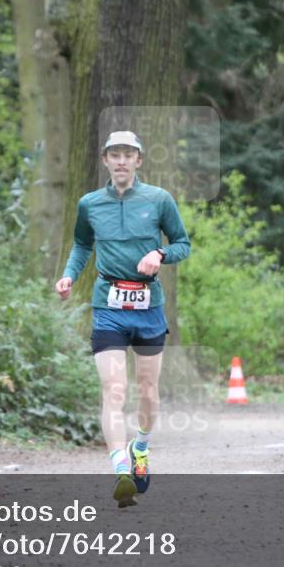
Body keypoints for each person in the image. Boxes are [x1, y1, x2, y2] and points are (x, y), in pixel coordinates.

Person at [55, 131, 190, 508]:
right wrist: (69, 274)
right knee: (114, 390)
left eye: (128, 155)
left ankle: (140, 448)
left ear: (139, 161)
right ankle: (120, 471)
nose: (121, 161)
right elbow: (82, 244)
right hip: (108, 305)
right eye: (114, 154)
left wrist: (160, 254)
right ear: (105, 160)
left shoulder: (159, 200)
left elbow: (183, 243)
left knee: (147, 390)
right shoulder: (89, 204)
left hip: (148, 306)